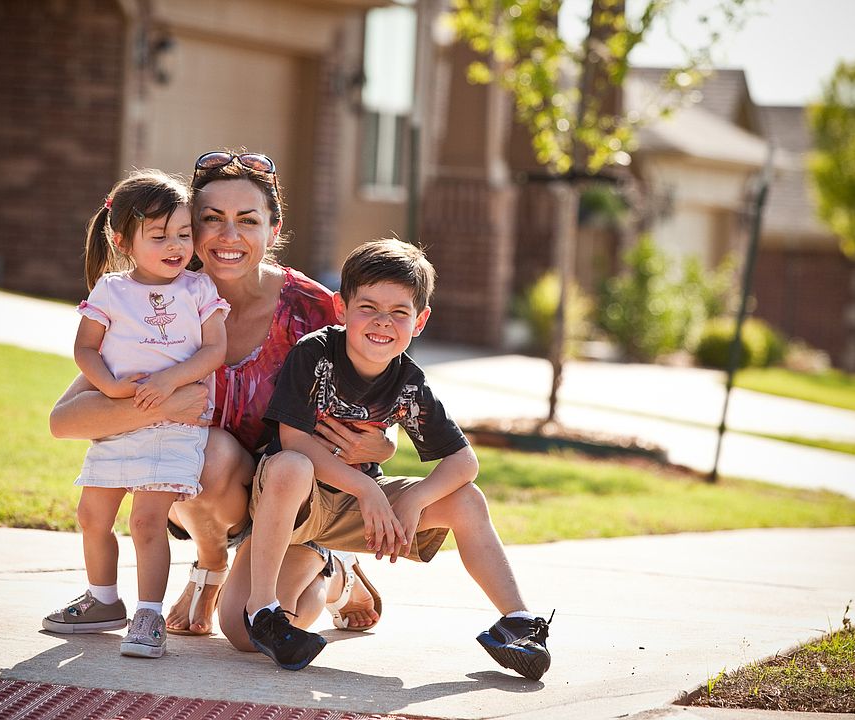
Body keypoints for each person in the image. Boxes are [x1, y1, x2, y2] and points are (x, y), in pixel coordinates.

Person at [48, 151, 388, 648]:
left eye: (247, 221)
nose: (229, 237)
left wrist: (381, 447)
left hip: (295, 502)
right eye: (211, 220)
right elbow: (65, 421)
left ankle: (336, 574)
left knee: (250, 636)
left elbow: (376, 418)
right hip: (216, 491)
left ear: (273, 230)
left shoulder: (315, 310)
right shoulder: (163, 303)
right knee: (201, 450)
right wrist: (164, 403)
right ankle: (210, 564)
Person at [241, 238, 553, 679]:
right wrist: (367, 487)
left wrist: (415, 499)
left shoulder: (409, 382)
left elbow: (464, 462)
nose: (382, 322)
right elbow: (292, 441)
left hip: (354, 512)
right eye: (367, 307)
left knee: (467, 499)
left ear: (420, 320)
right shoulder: (315, 353)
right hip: (293, 507)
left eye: (399, 312)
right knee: (241, 637)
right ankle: (266, 609)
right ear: (341, 309)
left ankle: (517, 621)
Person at [42, 170, 230, 660]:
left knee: (147, 522)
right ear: (122, 239)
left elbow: (214, 350)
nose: (176, 245)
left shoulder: (198, 289)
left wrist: (170, 379)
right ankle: (104, 599)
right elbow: (85, 348)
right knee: (91, 515)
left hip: (174, 426)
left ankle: (149, 614)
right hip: (120, 418)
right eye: (160, 235)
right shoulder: (110, 290)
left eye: (184, 234)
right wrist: (108, 386)